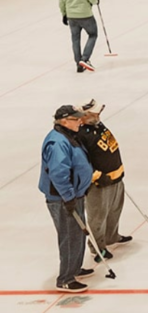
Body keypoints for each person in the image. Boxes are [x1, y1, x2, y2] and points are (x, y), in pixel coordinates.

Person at [39, 105, 95, 293]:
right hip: (63, 199)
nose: (80, 121)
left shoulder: (69, 136)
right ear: (64, 121)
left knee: (78, 233)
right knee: (70, 237)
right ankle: (65, 279)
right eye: (76, 119)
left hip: (74, 195)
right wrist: (69, 196)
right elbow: (58, 173)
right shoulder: (57, 143)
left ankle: (75, 268)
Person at [76, 100, 131, 263]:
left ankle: (111, 236)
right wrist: (96, 176)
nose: (99, 114)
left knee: (115, 210)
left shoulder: (97, 125)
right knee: (97, 218)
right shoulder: (80, 135)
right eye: (95, 112)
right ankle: (97, 247)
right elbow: (80, 162)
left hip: (116, 176)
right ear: (85, 115)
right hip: (99, 183)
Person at [60, 0, 99, 73]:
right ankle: (84, 59)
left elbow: (61, 0)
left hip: (71, 15)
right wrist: (96, 1)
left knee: (75, 39)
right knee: (93, 34)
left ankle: (79, 64)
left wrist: (64, 14)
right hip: (85, 14)